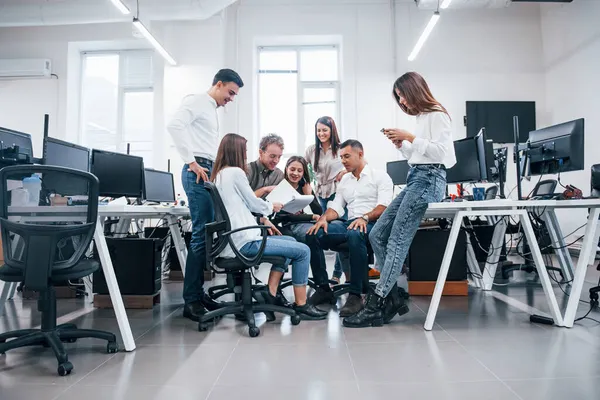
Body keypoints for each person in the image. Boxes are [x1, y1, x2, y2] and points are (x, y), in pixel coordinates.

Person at [343, 71, 457, 328]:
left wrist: (410, 138)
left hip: (429, 180)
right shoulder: (422, 118)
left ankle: (377, 301)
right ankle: (392, 295)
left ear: (414, 90)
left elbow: (442, 154)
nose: (402, 102)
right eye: (399, 98)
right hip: (417, 176)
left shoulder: (437, 114)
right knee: (377, 234)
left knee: (396, 239)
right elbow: (418, 156)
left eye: (402, 96)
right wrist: (402, 144)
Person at [211, 133, 327, 320]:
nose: (246, 155)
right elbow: (254, 204)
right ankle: (302, 305)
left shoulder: (220, 174)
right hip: (244, 242)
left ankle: (270, 293)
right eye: (244, 151)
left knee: (289, 240)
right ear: (236, 151)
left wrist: (266, 216)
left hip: (233, 239)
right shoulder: (237, 172)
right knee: (303, 250)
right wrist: (271, 206)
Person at [167, 68, 244, 322]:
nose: (231, 98)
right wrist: (191, 162)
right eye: (230, 92)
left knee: (207, 233)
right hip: (198, 170)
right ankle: (191, 300)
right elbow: (174, 125)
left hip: (207, 170)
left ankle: (198, 294)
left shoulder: (210, 108)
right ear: (219, 84)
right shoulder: (197, 100)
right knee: (201, 234)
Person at [306, 140, 393, 317]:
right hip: (350, 222)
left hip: (373, 224)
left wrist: (365, 217)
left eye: (347, 156)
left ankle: (356, 295)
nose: (343, 161)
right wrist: (323, 219)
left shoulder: (380, 176)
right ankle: (323, 288)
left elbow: (384, 207)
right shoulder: (345, 179)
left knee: (355, 233)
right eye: (341, 157)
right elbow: (337, 207)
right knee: (313, 233)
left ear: (360, 154)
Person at [304, 116, 348, 283]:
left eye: (324, 130)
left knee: (339, 232)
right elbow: (302, 165)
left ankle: (336, 274)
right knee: (322, 232)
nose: (321, 133)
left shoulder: (340, 148)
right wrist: (306, 184)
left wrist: (344, 171)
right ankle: (321, 274)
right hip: (320, 194)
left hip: (338, 193)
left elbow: (355, 164)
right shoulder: (311, 150)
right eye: (318, 130)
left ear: (331, 131)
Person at [247, 134, 285, 199]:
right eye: (272, 156)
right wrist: (264, 190)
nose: (276, 161)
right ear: (261, 153)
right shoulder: (247, 170)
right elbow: (242, 200)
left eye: (279, 157)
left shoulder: (279, 175)